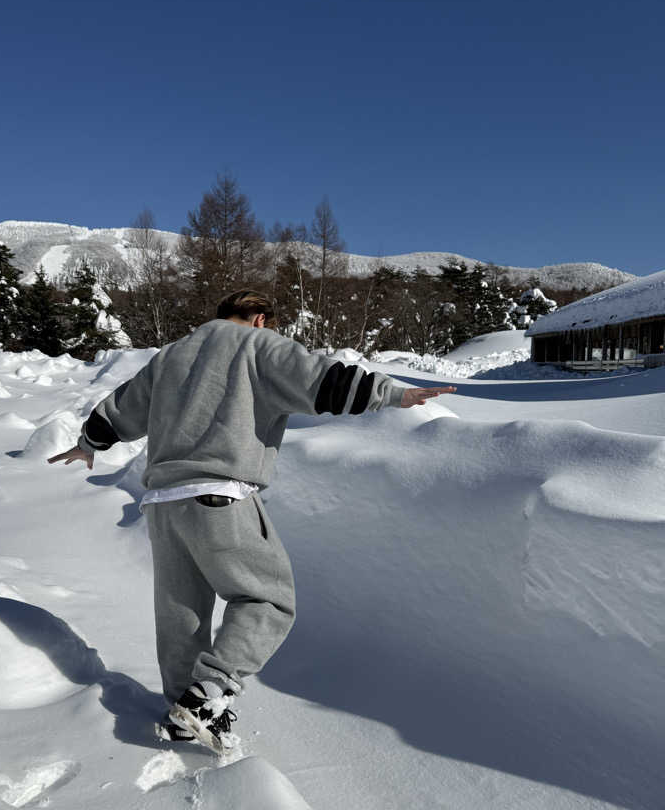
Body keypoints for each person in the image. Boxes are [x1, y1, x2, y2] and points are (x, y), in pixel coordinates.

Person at [49, 290, 456, 753]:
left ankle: (185, 713)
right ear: (260, 319)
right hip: (220, 495)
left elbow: (120, 409)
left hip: (161, 503)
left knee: (182, 612)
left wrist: (87, 444)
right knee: (268, 599)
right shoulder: (257, 346)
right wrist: (397, 393)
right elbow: (323, 379)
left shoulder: (172, 356)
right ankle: (209, 695)